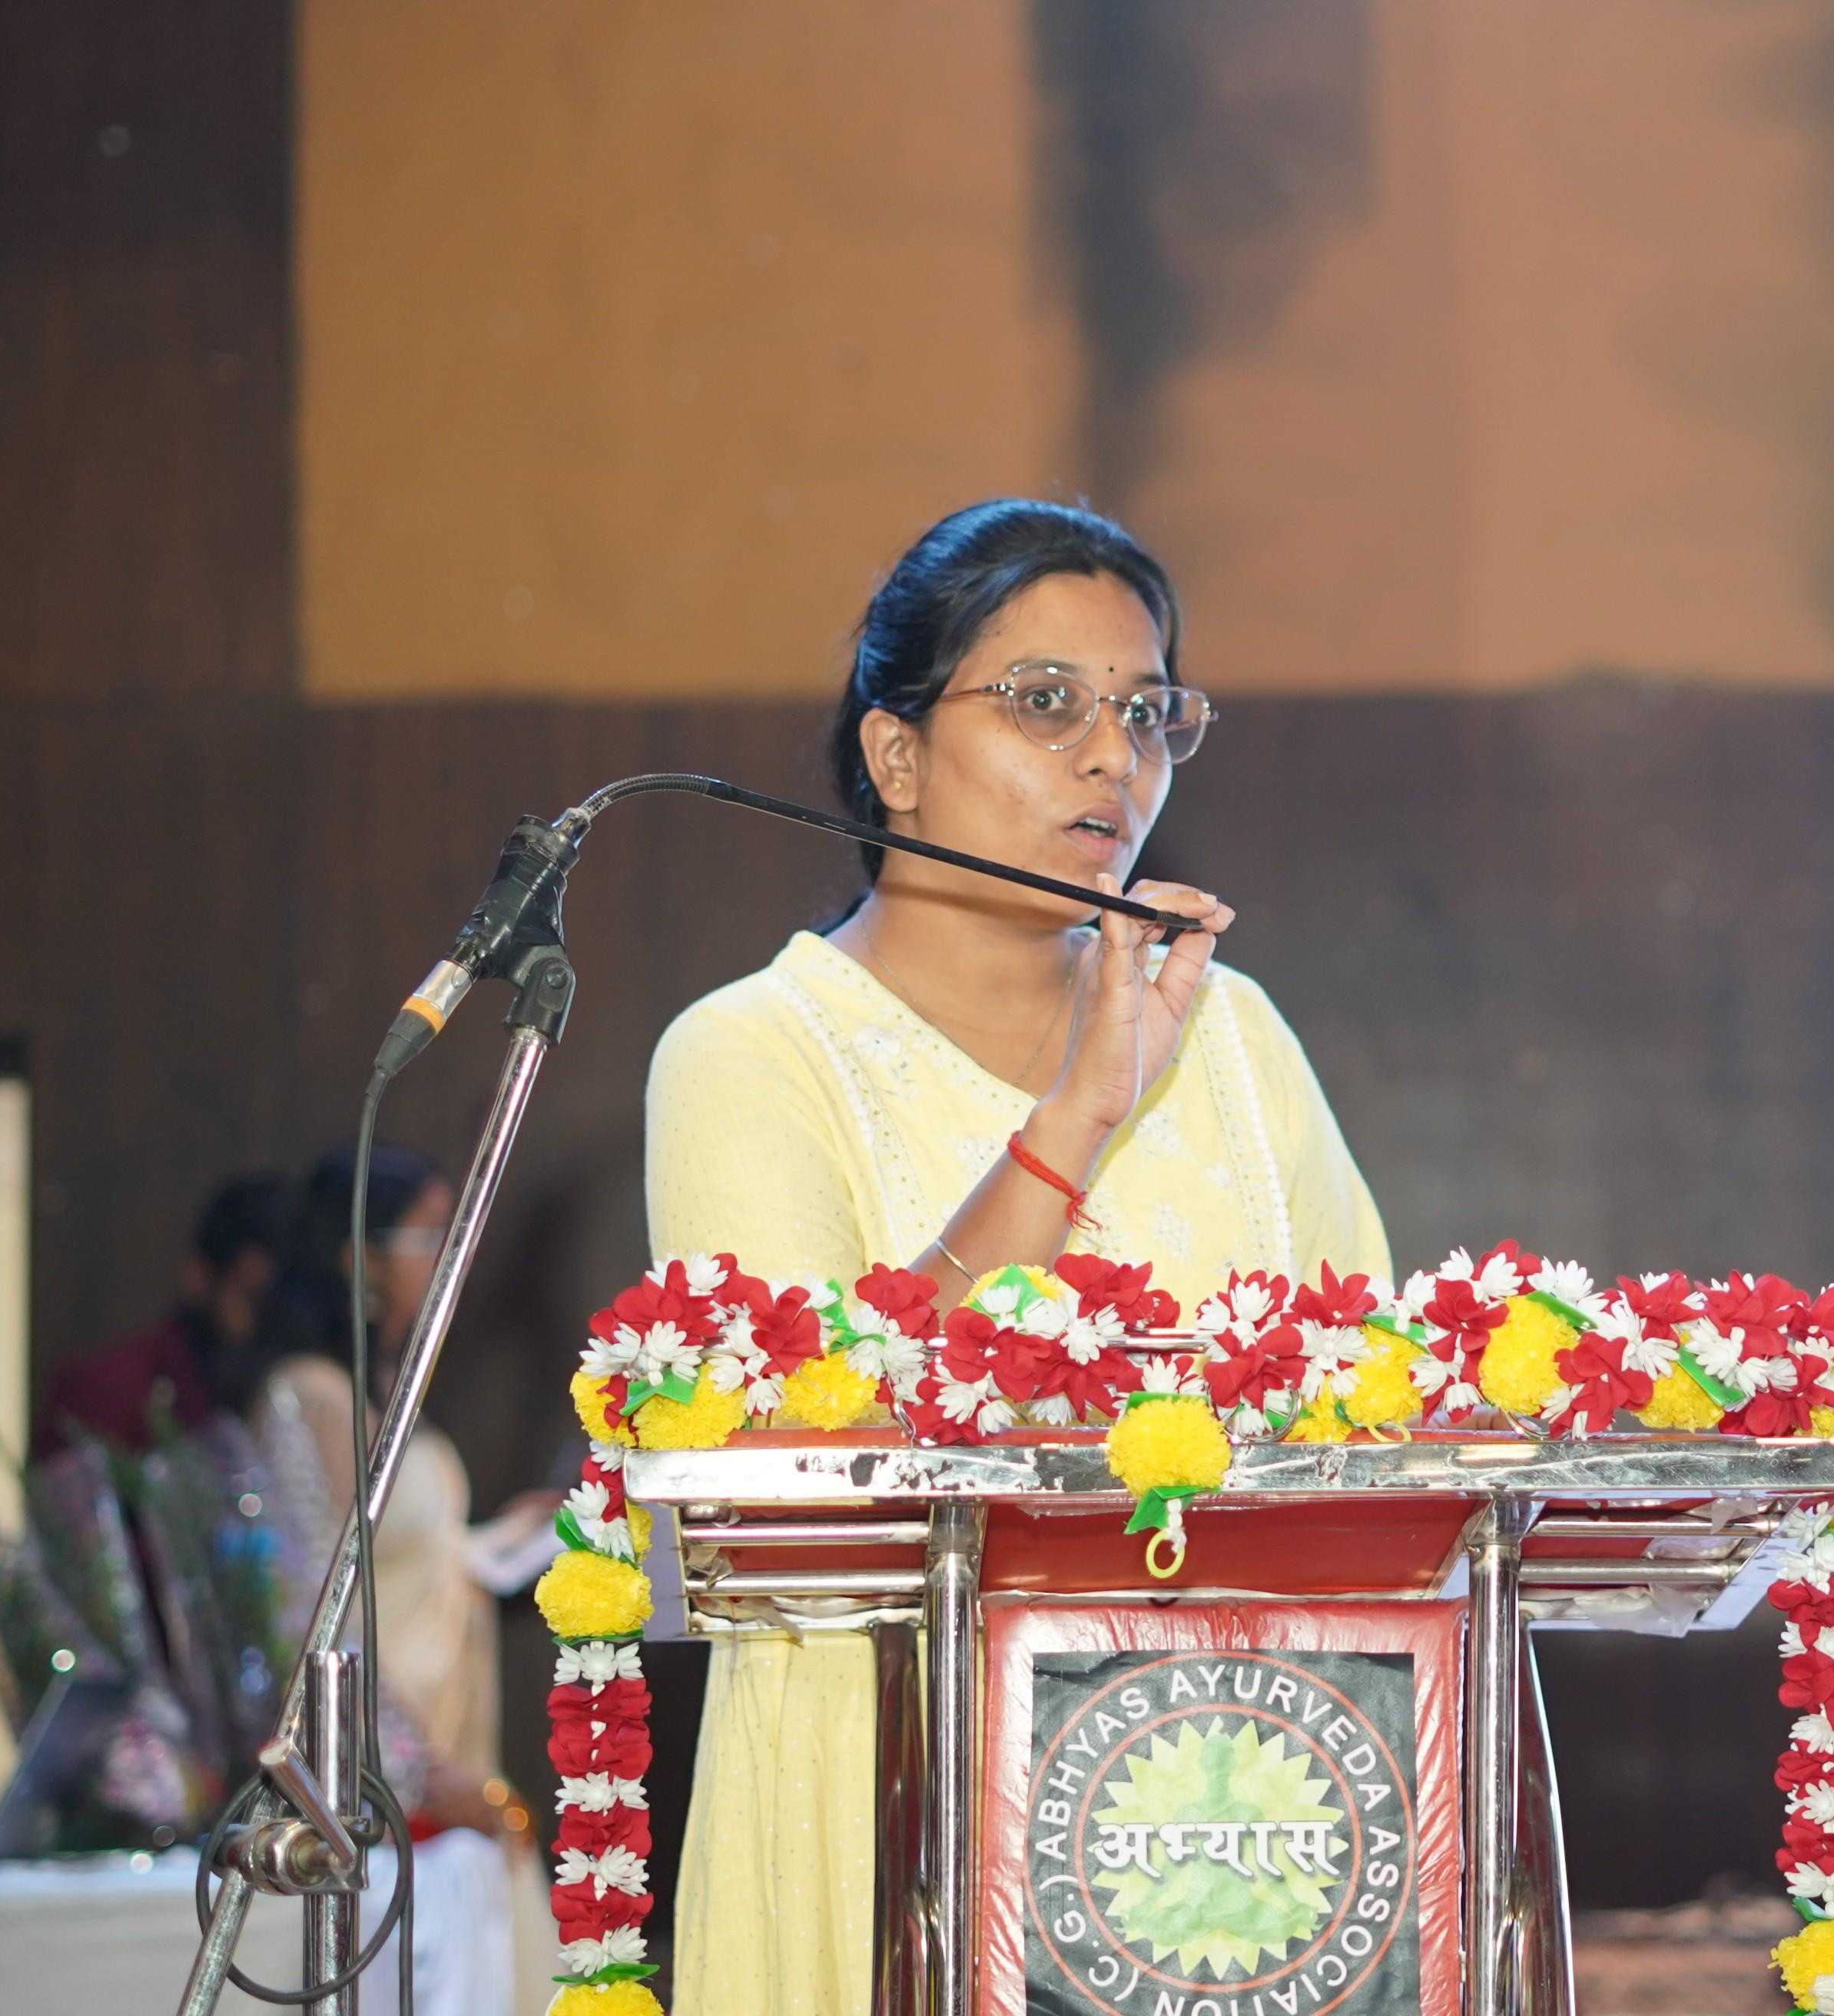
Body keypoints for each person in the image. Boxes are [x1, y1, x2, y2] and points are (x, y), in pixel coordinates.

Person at [646, 499, 1392, 2015]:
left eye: (1149, 709)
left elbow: (1383, 1415)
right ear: (896, 752)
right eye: (1048, 702)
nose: (1116, 755)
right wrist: (1079, 1114)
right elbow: (799, 1442)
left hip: (1226, 1804)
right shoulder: (753, 1054)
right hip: (885, 1784)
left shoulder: (1235, 1037)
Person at [251, 1143, 561, 2005]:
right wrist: (410, 1769)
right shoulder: (309, 1394)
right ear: (358, 1257)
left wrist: (509, 1536)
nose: (446, 1259)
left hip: (456, 1727)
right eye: (427, 1236)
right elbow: (311, 1601)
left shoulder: (383, 1391)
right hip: (391, 1758)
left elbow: (411, 1554)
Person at [35, 1172, 285, 1454]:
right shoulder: (109, 1392)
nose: (271, 1323)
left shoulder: (287, 1386)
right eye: (254, 1298)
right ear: (199, 1276)